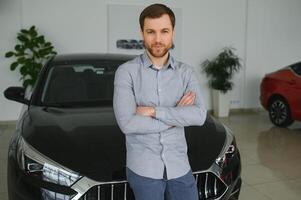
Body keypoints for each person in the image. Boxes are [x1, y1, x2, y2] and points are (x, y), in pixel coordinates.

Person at [113, 3, 207, 200]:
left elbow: (199, 115)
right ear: (142, 33)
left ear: (173, 32)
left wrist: (154, 111)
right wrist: (178, 114)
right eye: (151, 32)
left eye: (164, 31)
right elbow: (127, 123)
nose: (158, 39)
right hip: (144, 169)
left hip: (180, 166)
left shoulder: (186, 73)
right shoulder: (126, 72)